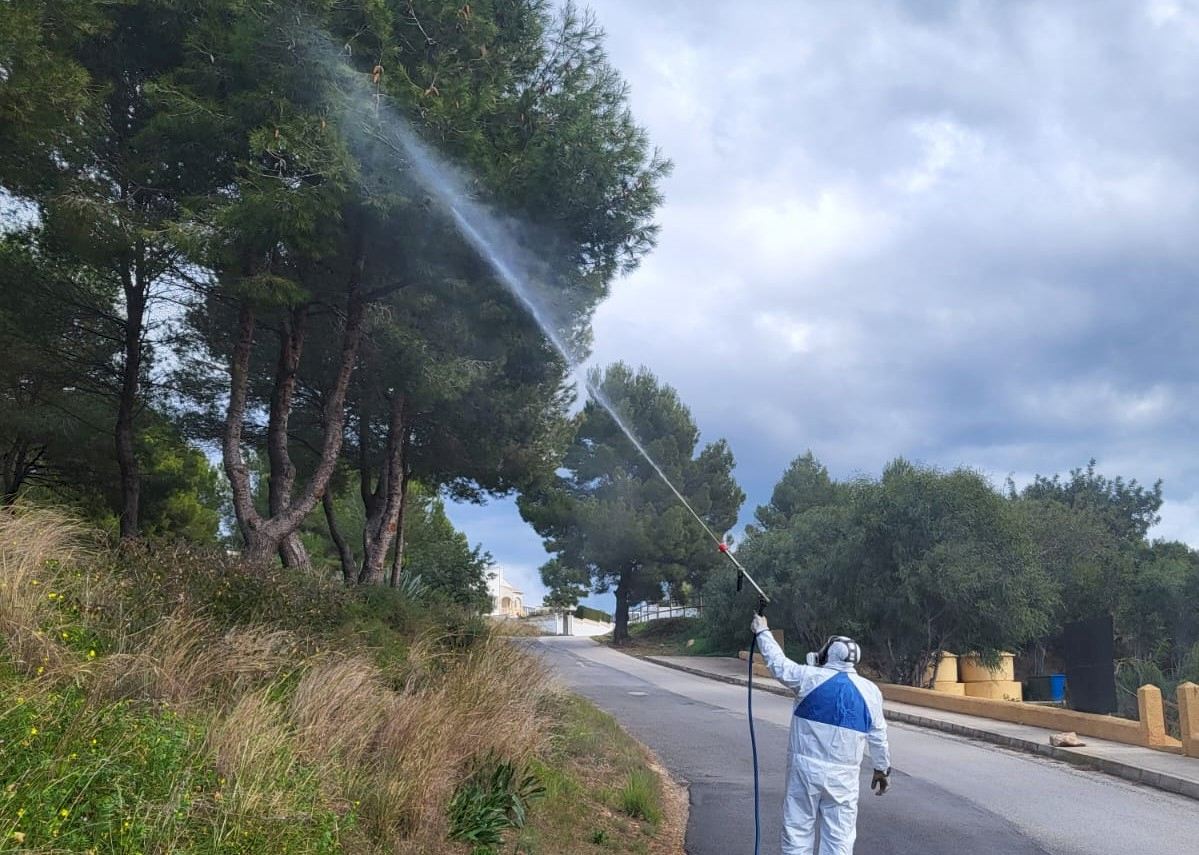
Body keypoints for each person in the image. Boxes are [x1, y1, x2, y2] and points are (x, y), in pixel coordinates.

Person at [751, 614, 891, 855]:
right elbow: (879, 736)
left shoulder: (809, 678)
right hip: (844, 777)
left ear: (828, 655)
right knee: (839, 840)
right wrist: (881, 769)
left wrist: (762, 631)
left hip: (804, 771)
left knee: (797, 832)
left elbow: (778, 664)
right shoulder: (871, 692)